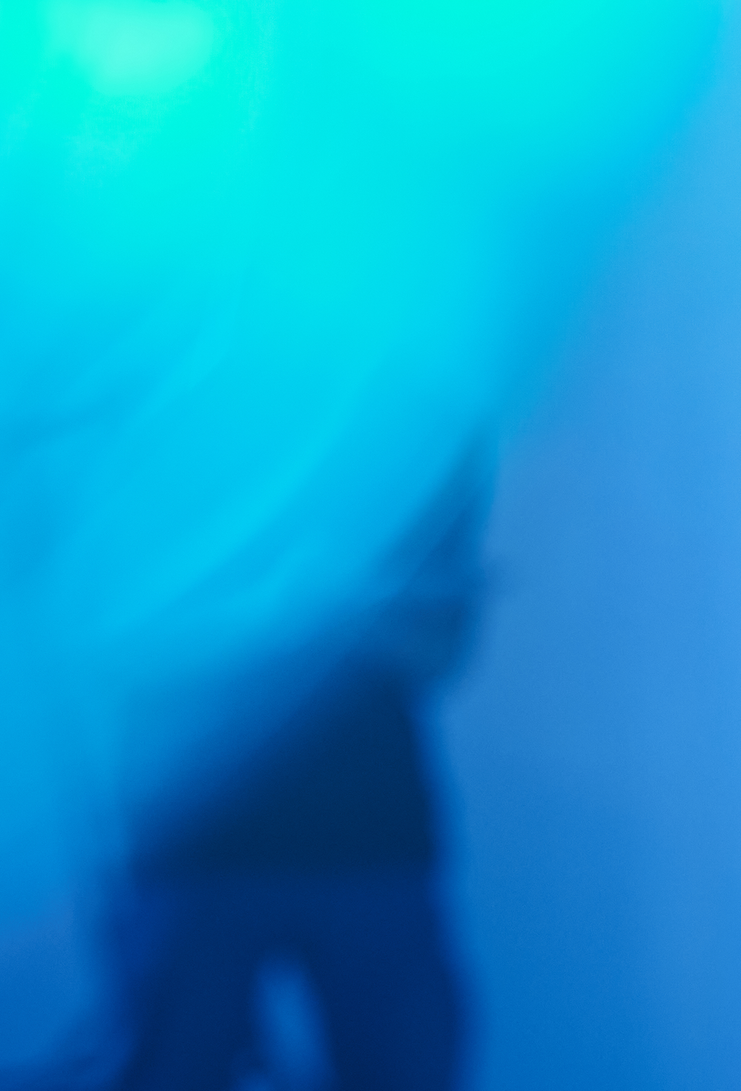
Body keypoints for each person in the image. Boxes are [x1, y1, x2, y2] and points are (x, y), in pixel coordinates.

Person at [110, 453, 488, 1091]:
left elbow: (439, 643)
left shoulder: (427, 423)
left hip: (368, 837)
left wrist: (315, 602)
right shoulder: (173, 414)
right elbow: (116, 630)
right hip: (204, 842)